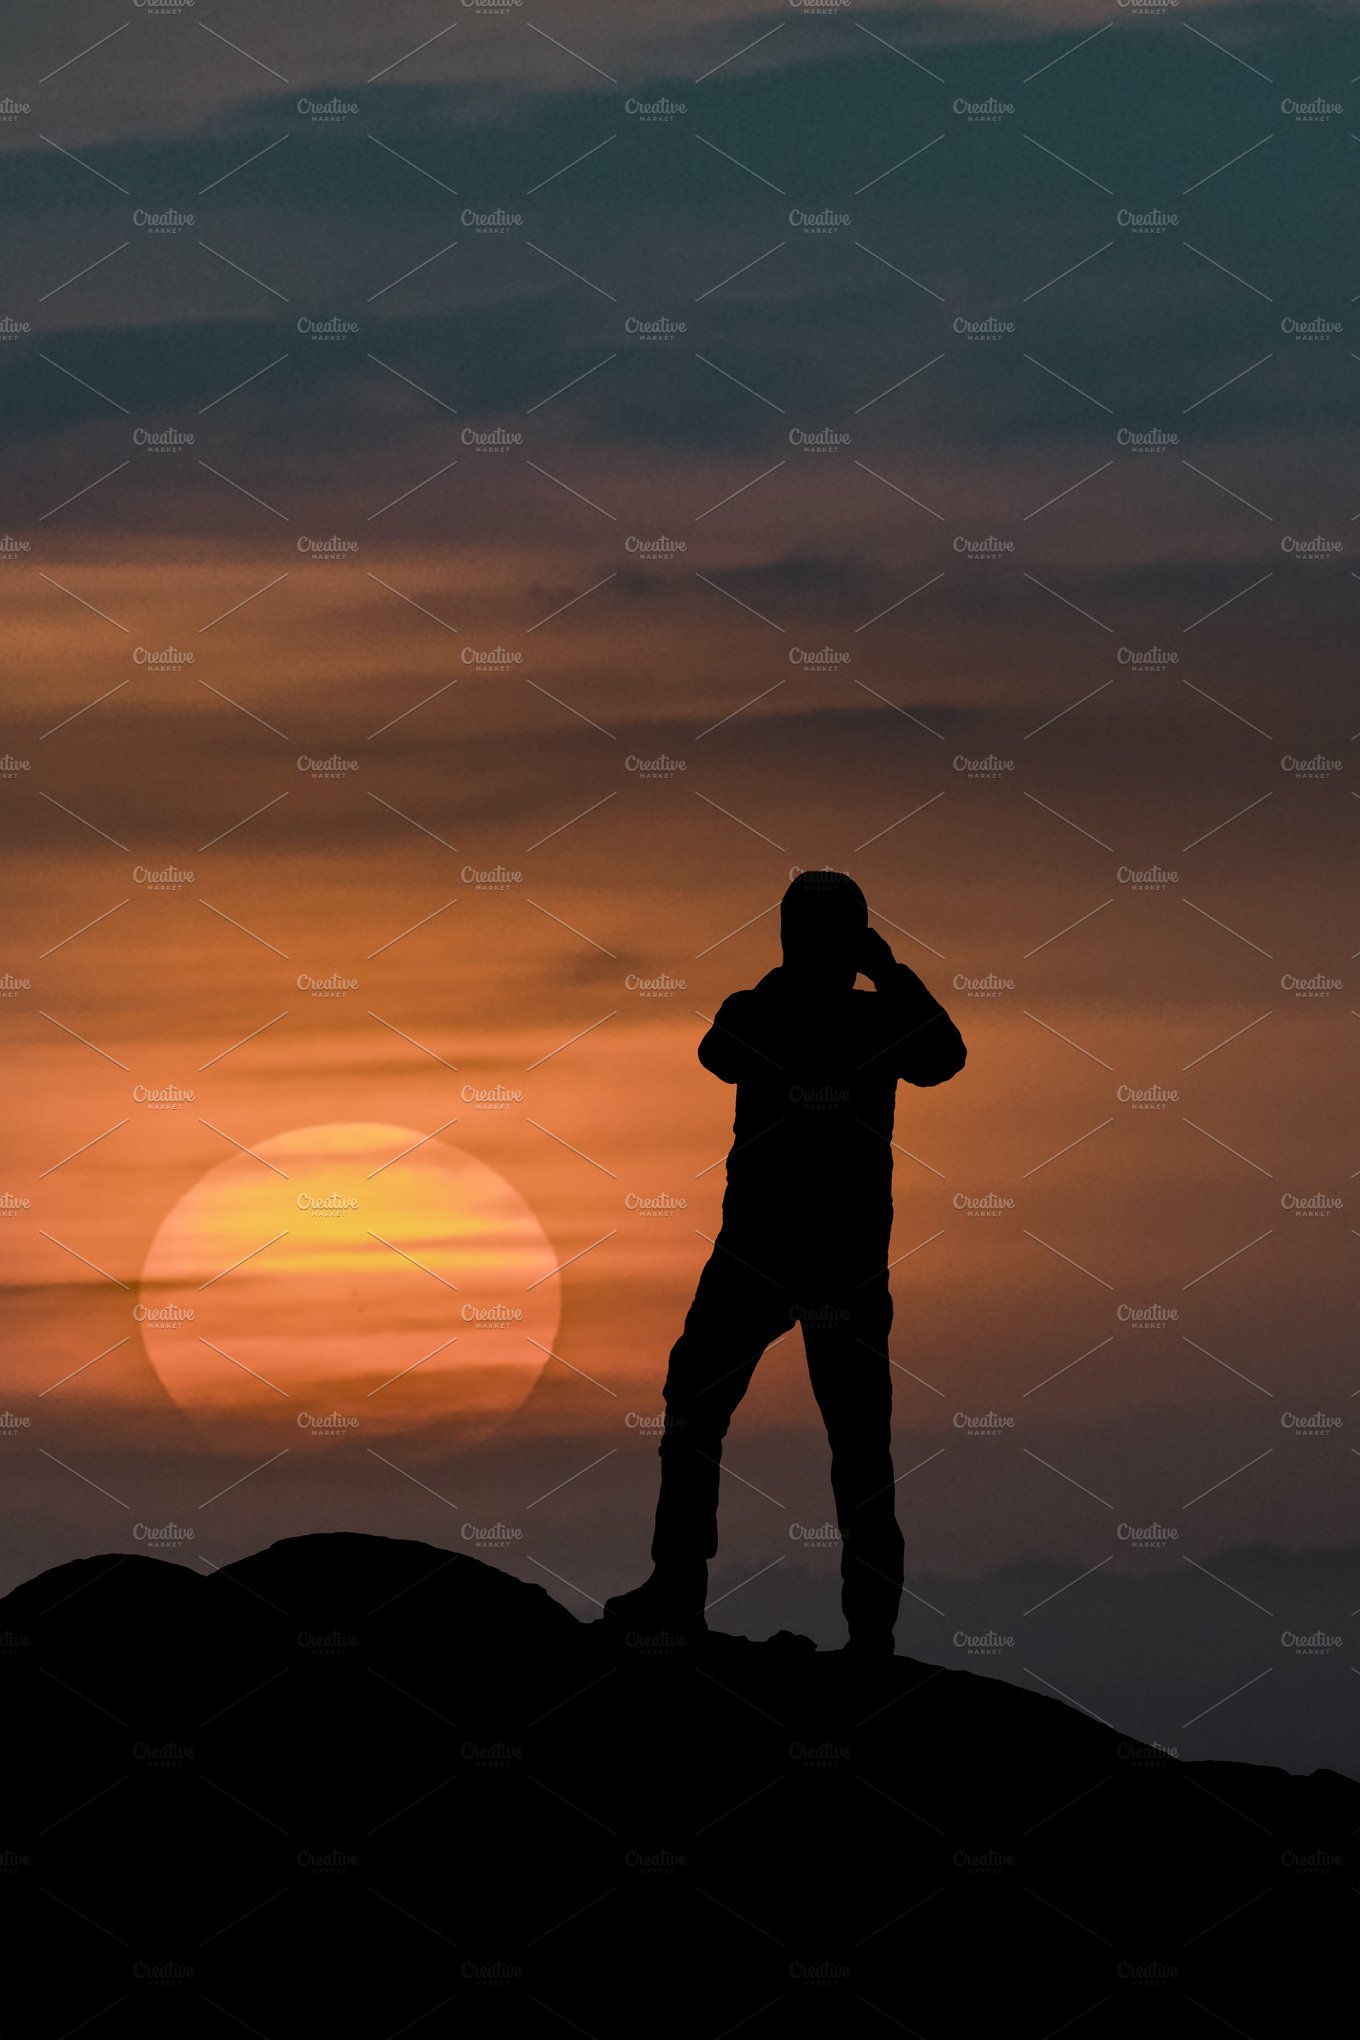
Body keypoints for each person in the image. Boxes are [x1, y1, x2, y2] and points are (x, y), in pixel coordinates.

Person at [605, 870, 966, 1656]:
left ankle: (697, 1595)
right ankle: (857, 1631)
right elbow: (722, 1053)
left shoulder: (781, 1013)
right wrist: (887, 971)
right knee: (845, 1439)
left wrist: (873, 977)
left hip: (777, 1255)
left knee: (775, 1422)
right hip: (810, 1259)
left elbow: (944, 1057)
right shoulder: (846, 1021)